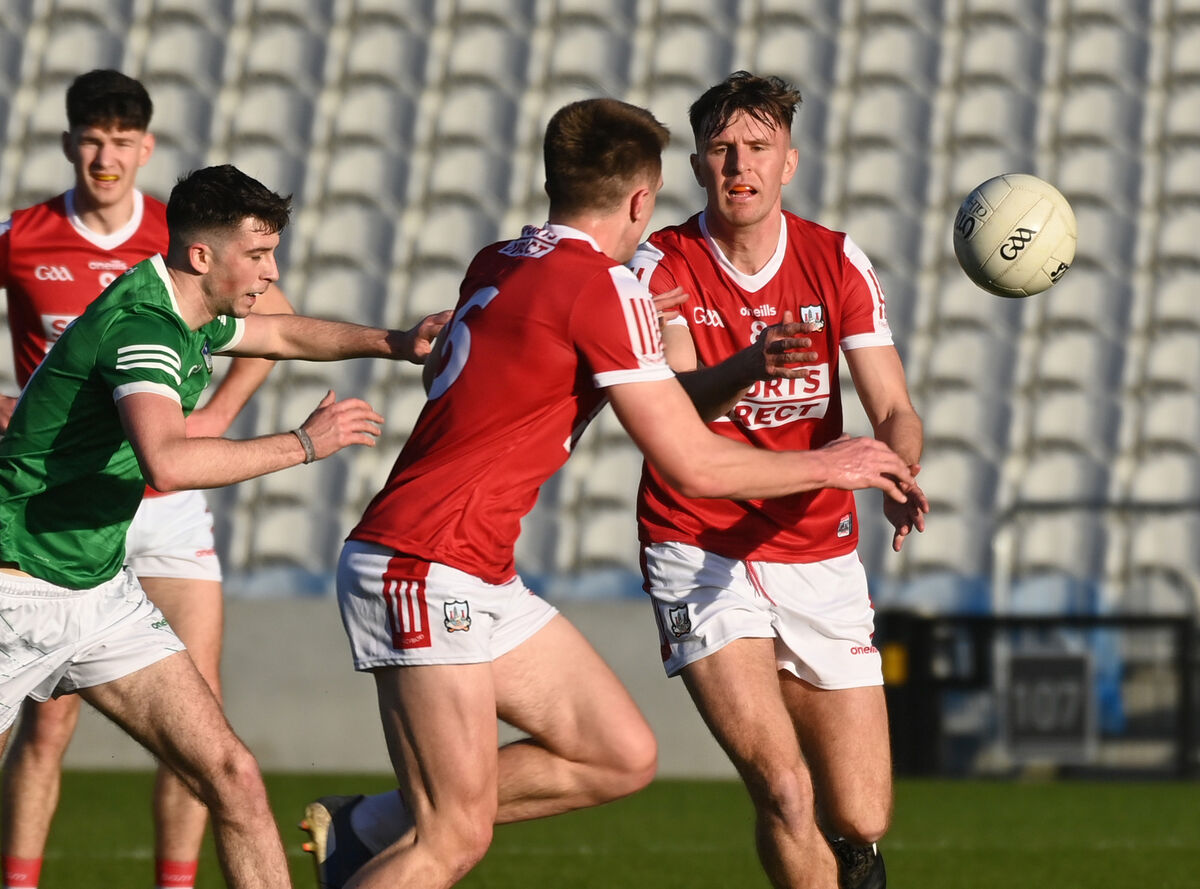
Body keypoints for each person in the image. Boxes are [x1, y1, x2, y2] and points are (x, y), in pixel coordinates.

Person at [297, 97, 920, 889]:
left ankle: (365, 827)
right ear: (639, 199)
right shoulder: (609, 286)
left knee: (619, 754)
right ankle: (386, 835)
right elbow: (692, 460)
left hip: (472, 562)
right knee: (454, 836)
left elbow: (461, 371)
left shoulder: (500, 259)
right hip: (429, 558)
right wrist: (833, 466)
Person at [0, 162, 448, 889]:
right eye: (260, 254)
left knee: (234, 774)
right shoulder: (143, 327)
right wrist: (306, 443)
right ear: (202, 256)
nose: (273, 272)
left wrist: (396, 342)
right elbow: (168, 462)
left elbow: (285, 335)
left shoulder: (188, 306)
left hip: (95, 592)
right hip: (14, 589)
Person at [628, 72, 928, 889]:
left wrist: (899, 465)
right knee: (785, 786)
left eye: (758, 147)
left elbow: (894, 404)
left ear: (788, 162)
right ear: (696, 165)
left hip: (816, 545)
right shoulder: (662, 263)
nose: (740, 166)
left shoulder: (836, 259)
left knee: (860, 814)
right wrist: (750, 365)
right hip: (700, 542)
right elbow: (678, 403)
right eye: (722, 150)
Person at [0, 69, 295, 889]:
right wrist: (300, 443)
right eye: (92, 139)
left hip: (158, 500)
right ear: (68, 145)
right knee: (46, 734)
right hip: (42, 525)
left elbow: (275, 323)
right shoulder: (23, 236)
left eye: (122, 141)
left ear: (146, 149)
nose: (106, 156)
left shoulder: (188, 237)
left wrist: (217, 418)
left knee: (217, 756)